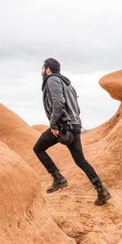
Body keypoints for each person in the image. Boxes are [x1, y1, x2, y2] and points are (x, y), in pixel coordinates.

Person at [33, 58, 111, 205]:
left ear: (48, 69)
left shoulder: (52, 80)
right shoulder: (69, 85)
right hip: (74, 125)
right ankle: (101, 190)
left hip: (62, 125)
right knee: (80, 160)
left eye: (43, 68)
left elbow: (58, 102)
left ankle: (58, 178)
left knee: (38, 148)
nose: (42, 71)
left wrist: (54, 125)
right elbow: (77, 108)